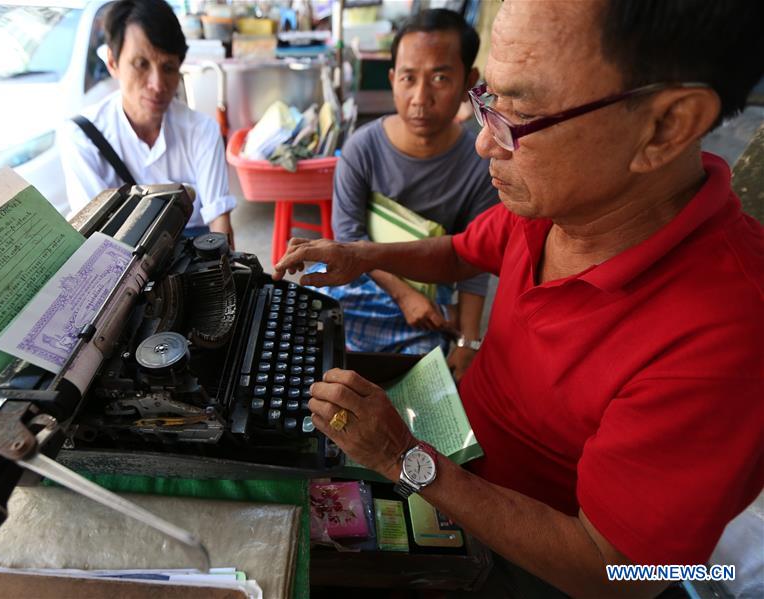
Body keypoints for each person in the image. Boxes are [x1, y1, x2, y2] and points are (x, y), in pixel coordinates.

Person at [275, 0, 764, 595]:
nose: (485, 144)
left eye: (521, 115)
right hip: (454, 450)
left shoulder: (726, 337)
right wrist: (362, 255)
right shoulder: (559, 201)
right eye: (489, 100)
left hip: (522, 562)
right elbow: (462, 253)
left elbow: (615, 573)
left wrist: (401, 456)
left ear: (665, 126)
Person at [324, 9, 496, 378]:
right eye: (408, 78)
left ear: (469, 82)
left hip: (429, 295)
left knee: (422, 368)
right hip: (364, 280)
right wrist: (404, 295)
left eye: (440, 78)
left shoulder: (480, 166)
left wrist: (469, 342)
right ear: (392, 79)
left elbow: (475, 262)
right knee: (314, 314)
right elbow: (349, 239)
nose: (420, 98)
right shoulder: (361, 149)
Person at [60, 0, 235, 240]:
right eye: (141, 64)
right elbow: (94, 238)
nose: (157, 85)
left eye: (168, 67)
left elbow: (220, 221)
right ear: (112, 62)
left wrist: (224, 260)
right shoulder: (83, 139)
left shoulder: (202, 131)